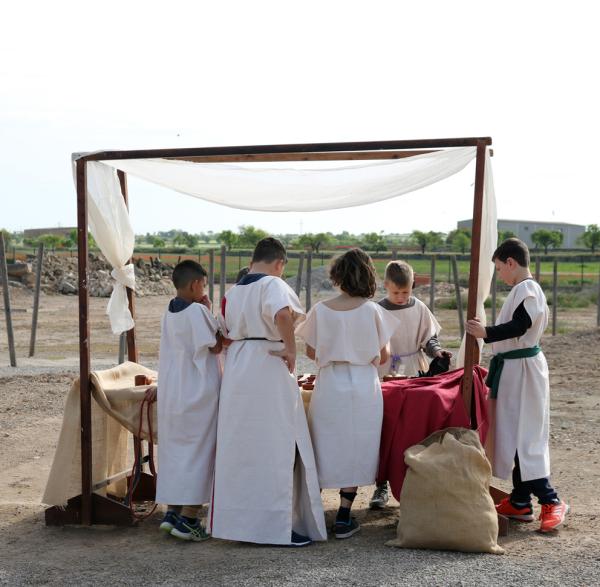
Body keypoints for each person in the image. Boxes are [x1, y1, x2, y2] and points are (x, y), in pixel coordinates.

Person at [210, 237, 327, 546]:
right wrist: (290, 349)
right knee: (275, 445)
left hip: (239, 367)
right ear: (279, 264)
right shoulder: (272, 285)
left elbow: (221, 331)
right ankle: (275, 527)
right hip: (266, 363)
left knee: (243, 448)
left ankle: (242, 524)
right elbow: (283, 315)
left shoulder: (234, 292)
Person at [465, 238, 569, 533]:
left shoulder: (527, 288)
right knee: (513, 434)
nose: (500, 274)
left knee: (526, 436)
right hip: (514, 369)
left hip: (524, 370)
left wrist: (486, 332)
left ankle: (551, 500)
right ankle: (521, 501)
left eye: (499, 268)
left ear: (511, 262)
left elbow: (520, 325)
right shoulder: (522, 290)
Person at [296, 248, 399, 538]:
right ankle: (344, 516)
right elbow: (383, 357)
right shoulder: (373, 311)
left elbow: (311, 350)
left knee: (324, 442)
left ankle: (312, 512)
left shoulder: (321, 309)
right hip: (363, 384)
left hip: (330, 382)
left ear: (337, 276)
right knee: (357, 445)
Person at [369, 260, 452, 509]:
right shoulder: (376, 310)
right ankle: (381, 485)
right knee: (384, 428)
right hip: (385, 372)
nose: (402, 297)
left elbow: (429, 338)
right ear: (386, 286)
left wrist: (437, 353)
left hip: (414, 370)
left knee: (412, 428)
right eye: (396, 292)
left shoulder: (419, 308)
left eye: (406, 292)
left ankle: (415, 483)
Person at [150, 260, 223, 541]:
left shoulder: (168, 312)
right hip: (198, 392)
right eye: (203, 284)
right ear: (195, 285)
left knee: (176, 454)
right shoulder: (196, 312)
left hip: (173, 392)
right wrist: (208, 310)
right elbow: (216, 345)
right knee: (201, 454)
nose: (204, 289)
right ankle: (190, 519)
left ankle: (172, 511)